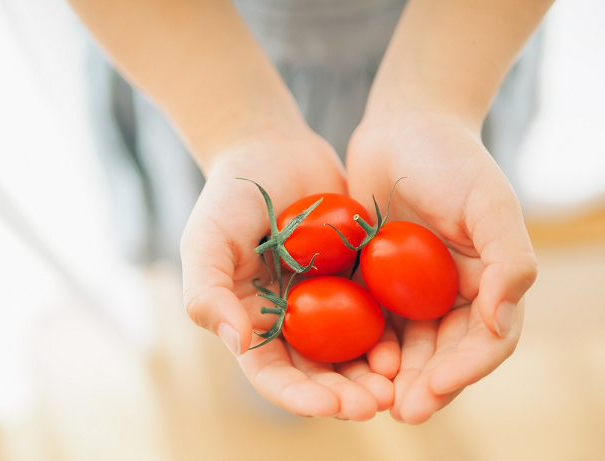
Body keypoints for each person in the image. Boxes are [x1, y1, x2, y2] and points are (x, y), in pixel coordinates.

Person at [66, 0, 551, 423]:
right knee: (241, 297)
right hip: (190, 61)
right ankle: (275, 385)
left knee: (418, 355)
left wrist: (439, 99)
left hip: (462, 44)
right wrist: (235, 129)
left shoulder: (315, 239)